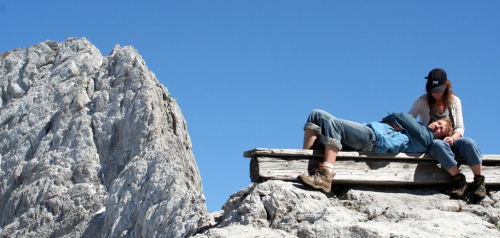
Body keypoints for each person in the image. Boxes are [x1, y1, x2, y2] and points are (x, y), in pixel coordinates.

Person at [297, 109, 452, 193]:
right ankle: (305, 161)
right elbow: (402, 120)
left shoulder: (427, 138)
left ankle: (325, 176)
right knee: (316, 114)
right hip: (368, 130)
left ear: (442, 136)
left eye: (441, 129)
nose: (437, 127)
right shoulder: (416, 129)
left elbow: (400, 115)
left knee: (334, 125)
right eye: (438, 123)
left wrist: (394, 118)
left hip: (374, 140)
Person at [409, 68, 485, 202]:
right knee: (439, 144)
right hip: (433, 142)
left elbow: (460, 127)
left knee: (470, 143)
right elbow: (409, 119)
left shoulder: (454, 101)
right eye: (432, 89)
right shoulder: (422, 100)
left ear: (446, 86)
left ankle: (479, 181)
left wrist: (453, 138)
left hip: (453, 139)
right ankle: (459, 180)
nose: (435, 93)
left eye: (438, 89)